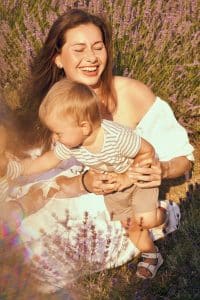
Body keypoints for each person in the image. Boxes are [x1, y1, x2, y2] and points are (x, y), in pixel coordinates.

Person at [0, 8, 193, 288]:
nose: (91, 58)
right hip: (69, 188)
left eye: (98, 47)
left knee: (45, 252)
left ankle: (162, 217)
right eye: (79, 49)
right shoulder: (54, 105)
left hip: (116, 195)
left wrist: (161, 169)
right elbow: (50, 162)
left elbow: (182, 159)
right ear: (58, 58)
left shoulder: (130, 94)